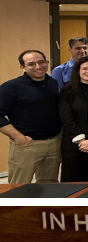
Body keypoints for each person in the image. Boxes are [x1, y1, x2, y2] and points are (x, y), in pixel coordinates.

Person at [0, 50, 61, 183]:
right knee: (18, 187)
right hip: (26, 145)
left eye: (41, 62)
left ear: (47, 62)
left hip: (53, 144)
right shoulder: (11, 87)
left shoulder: (52, 83)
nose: (38, 67)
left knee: (50, 185)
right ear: (23, 67)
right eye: (31, 64)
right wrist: (18, 137)